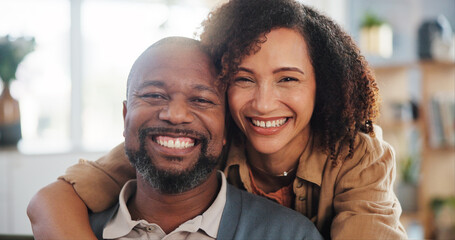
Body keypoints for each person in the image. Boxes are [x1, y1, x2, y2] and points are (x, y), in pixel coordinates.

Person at [28, 0, 407, 239]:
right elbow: (51, 200)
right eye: (244, 79)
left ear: (320, 87)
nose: (263, 102)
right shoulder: (199, 139)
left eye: (287, 78)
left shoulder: (355, 154)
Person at [28, 36, 323, 240]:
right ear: (124, 116)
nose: (176, 114)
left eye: (202, 100)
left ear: (226, 131)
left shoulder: (289, 234)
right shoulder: (71, 229)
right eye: (154, 95)